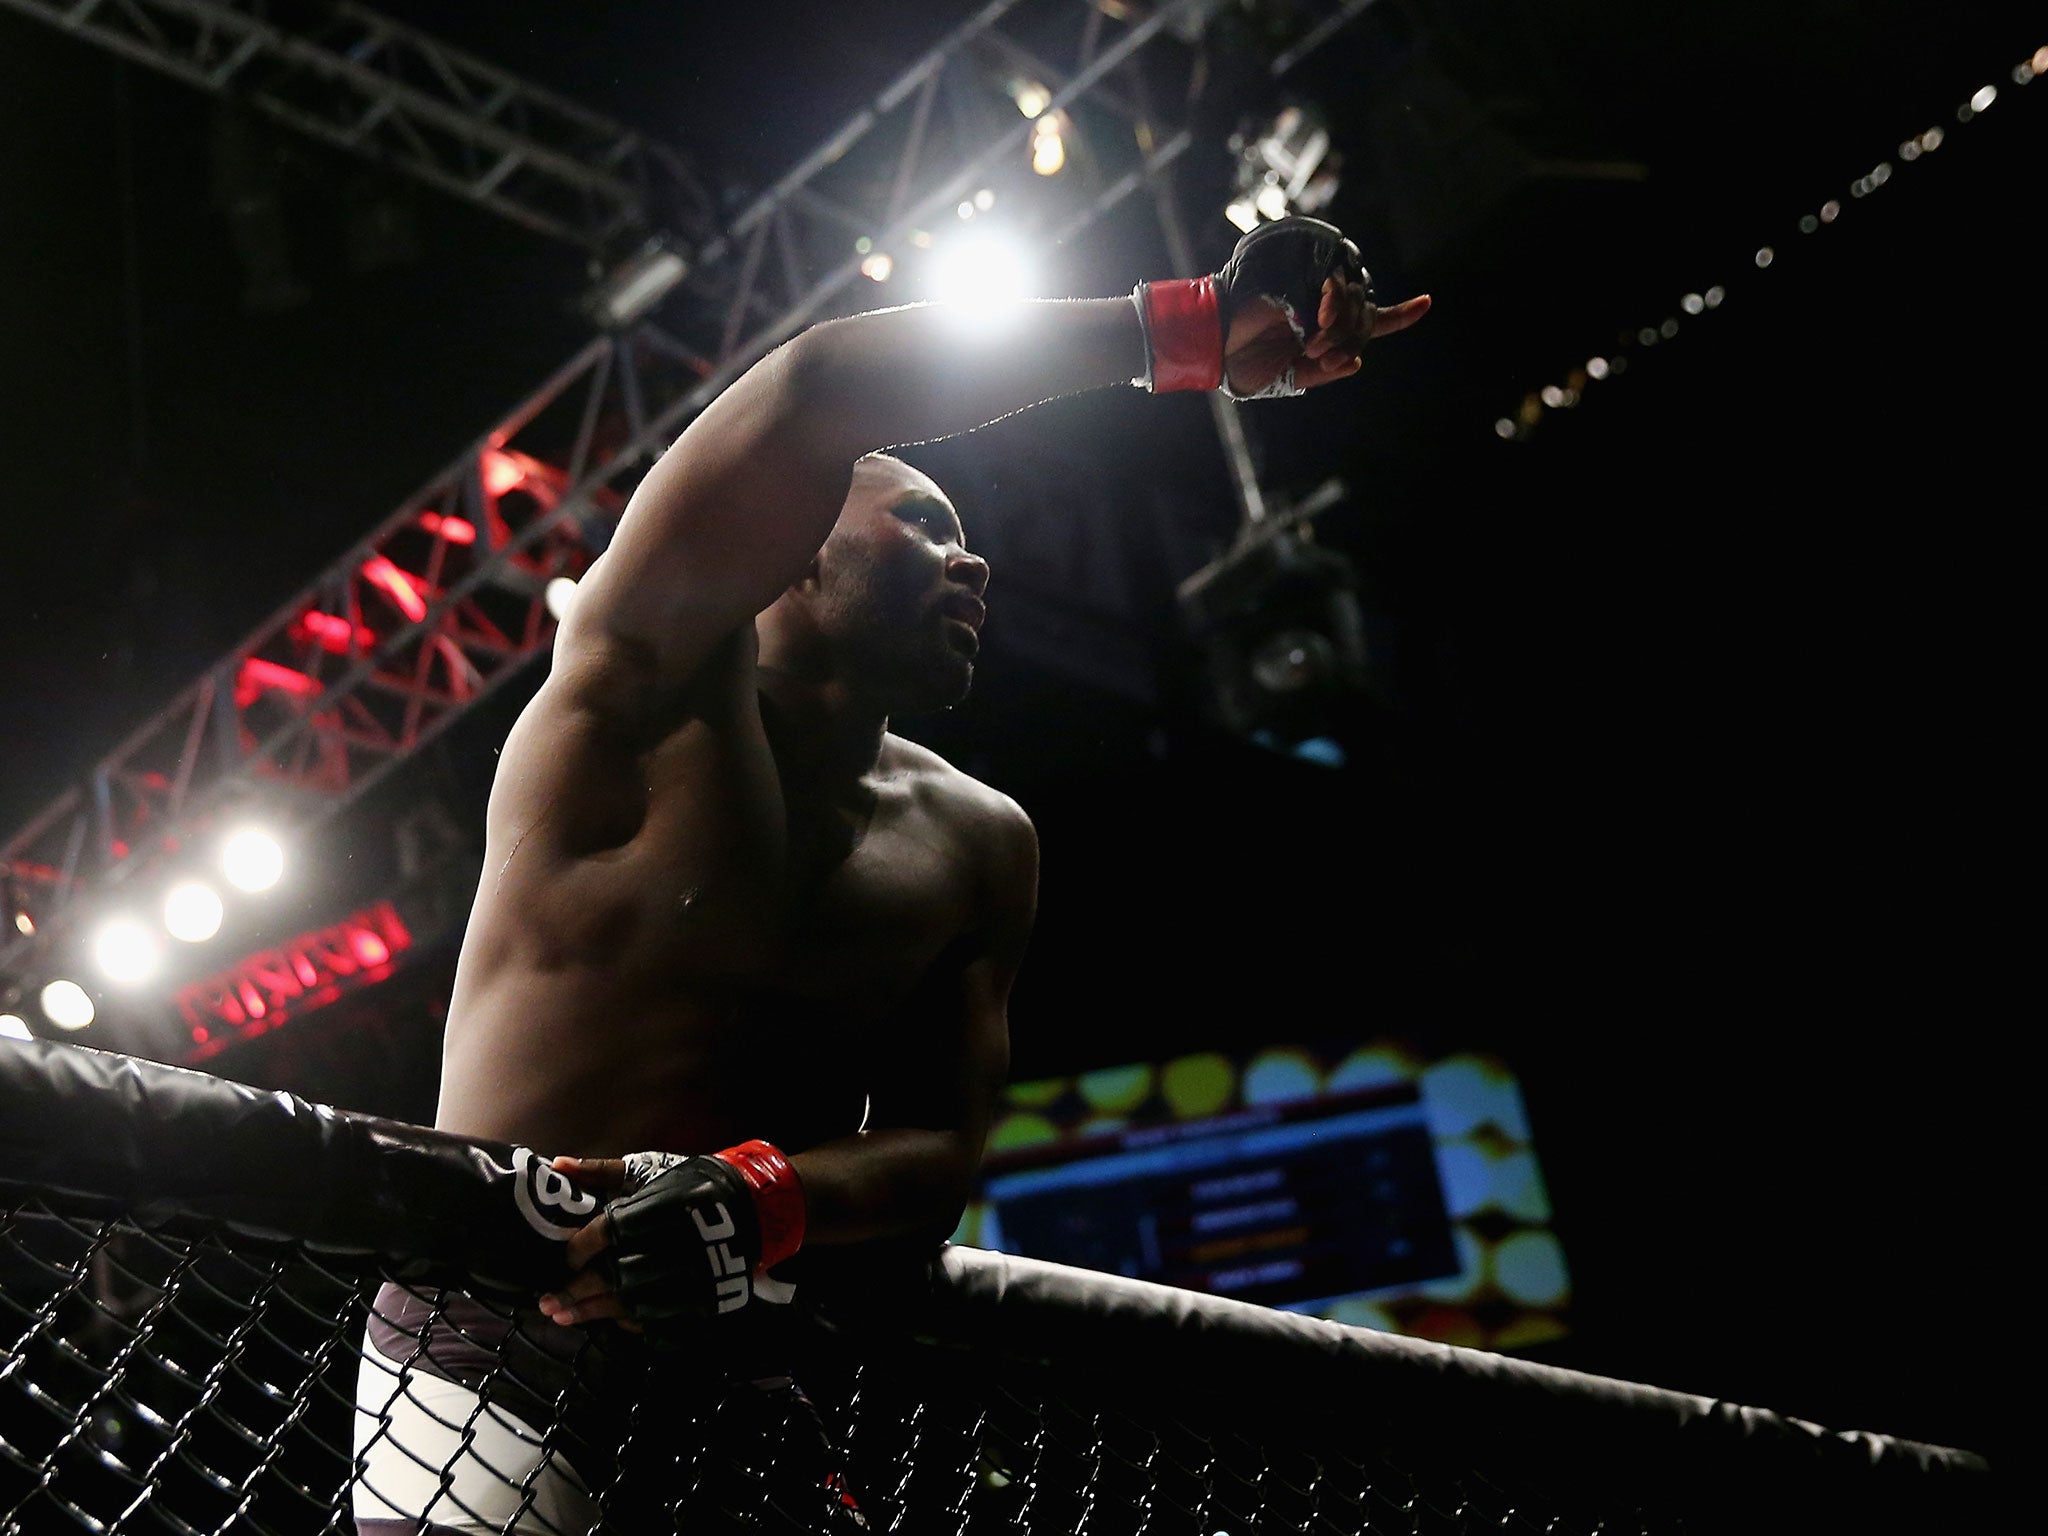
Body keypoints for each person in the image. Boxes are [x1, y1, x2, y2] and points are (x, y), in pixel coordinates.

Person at [351, 216, 1428, 1535]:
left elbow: (940, 1143)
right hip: (502, 1322)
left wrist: (768, 1195)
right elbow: (819, 388)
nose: (973, 558)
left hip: (735, 1351)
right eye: (923, 522)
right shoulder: (637, 692)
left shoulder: (978, 840)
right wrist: (1180, 331)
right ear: (796, 552)